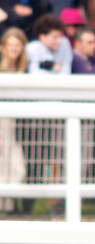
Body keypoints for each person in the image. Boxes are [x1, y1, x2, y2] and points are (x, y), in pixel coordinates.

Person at [0, 27, 27, 214]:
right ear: (3, 47)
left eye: (18, 45)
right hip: (3, 120)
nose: (14, 49)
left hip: (17, 121)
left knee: (16, 166)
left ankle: (7, 204)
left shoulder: (23, 68)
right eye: (11, 45)